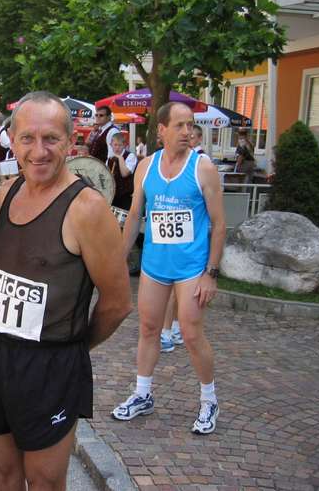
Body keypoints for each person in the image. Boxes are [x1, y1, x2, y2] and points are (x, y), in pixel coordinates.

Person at [0, 91, 132, 490]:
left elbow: (117, 303)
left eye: (51, 139)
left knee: (44, 480)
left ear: (70, 142)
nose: (39, 151)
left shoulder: (87, 208)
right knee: (0, 473)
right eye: (28, 138)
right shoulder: (5, 193)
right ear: (12, 141)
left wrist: (73, 348)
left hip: (49, 365)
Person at [112, 101, 226, 435]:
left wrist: (211, 274)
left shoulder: (203, 167)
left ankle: (209, 400)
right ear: (161, 130)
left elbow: (219, 225)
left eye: (190, 125)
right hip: (154, 266)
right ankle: (142, 393)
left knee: (190, 333)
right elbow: (135, 215)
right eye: (180, 125)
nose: (188, 132)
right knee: (149, 329)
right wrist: (118, 262)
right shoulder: (146, 166)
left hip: (191, 268)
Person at [107, 132, 138, 211]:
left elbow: (124, 173)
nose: (117, 148)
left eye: (120, 145)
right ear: (111, 145)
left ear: (124, 145)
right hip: (113, 196)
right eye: (115, 145)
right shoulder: (110, 159)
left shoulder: (130, 156)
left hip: (126, 197)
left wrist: (120, 158)